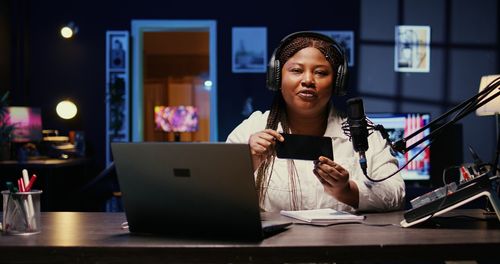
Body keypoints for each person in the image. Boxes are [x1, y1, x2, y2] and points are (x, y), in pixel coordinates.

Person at [226, 31, 405, 213]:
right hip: (274, 241)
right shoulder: (253, 128)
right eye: (296, 70)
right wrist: (249, 161)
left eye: (320, 72)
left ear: (337, 82)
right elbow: (219, 194)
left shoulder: (363, 132)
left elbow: (396, 193)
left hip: (343, 240)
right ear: (277, 78)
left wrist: (347, 191)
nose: (308, 80)